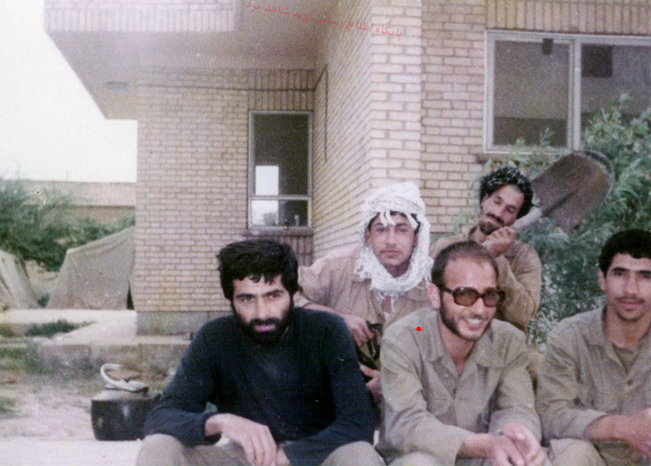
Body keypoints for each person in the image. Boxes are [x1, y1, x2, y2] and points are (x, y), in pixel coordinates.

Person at [137, 239, 383, 466]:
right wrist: (219, 422)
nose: (262, 312)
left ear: (294, 294)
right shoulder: (214, 337)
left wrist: (288, 456)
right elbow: (160, 418)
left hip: (315, 455)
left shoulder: (327, 331)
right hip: (245, 457)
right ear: (231, 300)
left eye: (273, 296)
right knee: (159, 446)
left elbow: (358, 423)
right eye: (247, 299)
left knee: (360, 455)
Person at [379, 241, 546, 466]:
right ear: (435, 296)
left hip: (485, 457)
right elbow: (406, 424)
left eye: (489, 296)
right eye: (465, 295)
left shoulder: (506, 340)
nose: (479, 310)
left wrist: (516, 432)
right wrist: (483, 444)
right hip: (421, 455)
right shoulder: (406, 337)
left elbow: (518, 409)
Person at [298, 181, 433, 403]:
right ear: (368, 236)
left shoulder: (432, 282)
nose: (391, 241)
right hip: (337, 400)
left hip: (410, 404)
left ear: (416, 237)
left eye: (401, 230)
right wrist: (336, 318)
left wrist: (392, 383)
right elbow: (285, 296)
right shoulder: (338, 267)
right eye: (381, 229)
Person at [536, 228, 651, 466]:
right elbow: (550, 416)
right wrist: (620, 427)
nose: (631, 289)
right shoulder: (570, 337)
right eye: (620, 274)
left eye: (645, 276)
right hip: (591, 460)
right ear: (602, 280)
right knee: (570, 453)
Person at [430, 167, 540, 334]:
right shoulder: (445, 247)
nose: (498, 213)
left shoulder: (524, 257)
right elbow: (424, 307)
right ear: (484, 199)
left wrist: (497, 258)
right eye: (497, 201)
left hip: (500, 347)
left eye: (510, 210)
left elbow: (523, 315)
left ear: (515, 218)